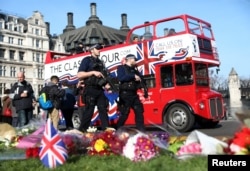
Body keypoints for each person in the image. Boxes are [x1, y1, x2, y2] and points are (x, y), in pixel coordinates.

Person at [77, 43, 110, 132]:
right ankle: (81, 131)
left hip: (99, 89)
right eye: (97, 48)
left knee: (103, 110)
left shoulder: (100, 62)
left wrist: (106, 85)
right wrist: (92, 72)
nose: (100, 50)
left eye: (100, 48)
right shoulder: (86, 60)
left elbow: (103, 76)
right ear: (92, 50)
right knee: (89, 111)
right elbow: (79, 75)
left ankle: (107, 132)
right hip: (90, 88)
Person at [116, 54, 145, 132]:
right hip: (125, 94)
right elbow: (121, 78)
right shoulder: (121, 68)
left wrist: (141, 85)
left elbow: (140, 79)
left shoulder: (135, 70)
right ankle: (117, 130)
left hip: (134, 94)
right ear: (130, 59)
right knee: (125, 114)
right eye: (134, 59)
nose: (135, 61)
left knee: (139, 112)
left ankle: (141, 131)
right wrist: (133, 76)